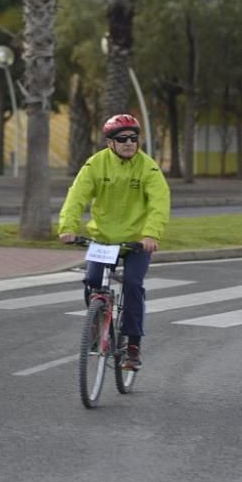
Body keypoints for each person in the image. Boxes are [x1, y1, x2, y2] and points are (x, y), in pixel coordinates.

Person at [58, 113, 171, 371]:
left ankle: (132, 346)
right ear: (110, 143)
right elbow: (76, 196)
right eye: (123, 139)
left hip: (136, 243)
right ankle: (98, 328)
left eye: (134, 138)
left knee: (132, 284)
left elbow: (159, 204)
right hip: (104, 239)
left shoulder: (148, 168)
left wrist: (151, 234)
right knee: (92, 282)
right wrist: (68, 228)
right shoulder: (95, 165)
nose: (130, 143)